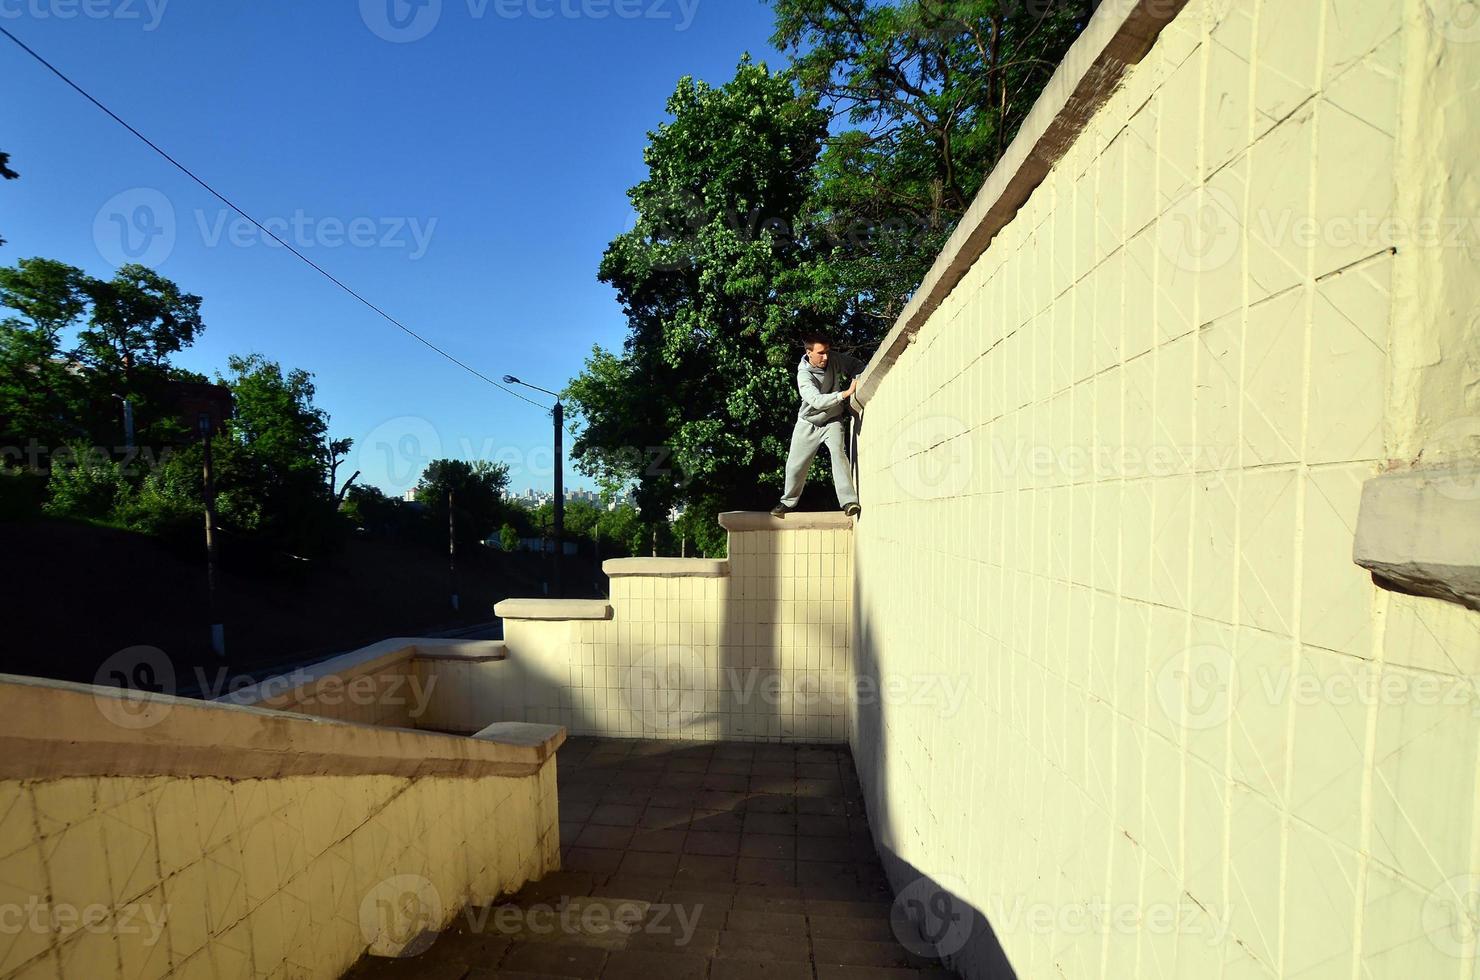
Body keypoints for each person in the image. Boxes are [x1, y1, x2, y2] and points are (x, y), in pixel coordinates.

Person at [771, 332, 865, 518]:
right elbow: (816, 401)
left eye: (827, 352)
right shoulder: (803, 375)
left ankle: (849, 502)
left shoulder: (833, 359)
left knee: (838, 454)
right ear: (809, 352)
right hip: (808, 423)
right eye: (821, 353)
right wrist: (844, 394)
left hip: (832, 420)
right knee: (795, 465)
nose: (826, 357)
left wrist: (856, 376)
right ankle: (788, 501)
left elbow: (856, 365)